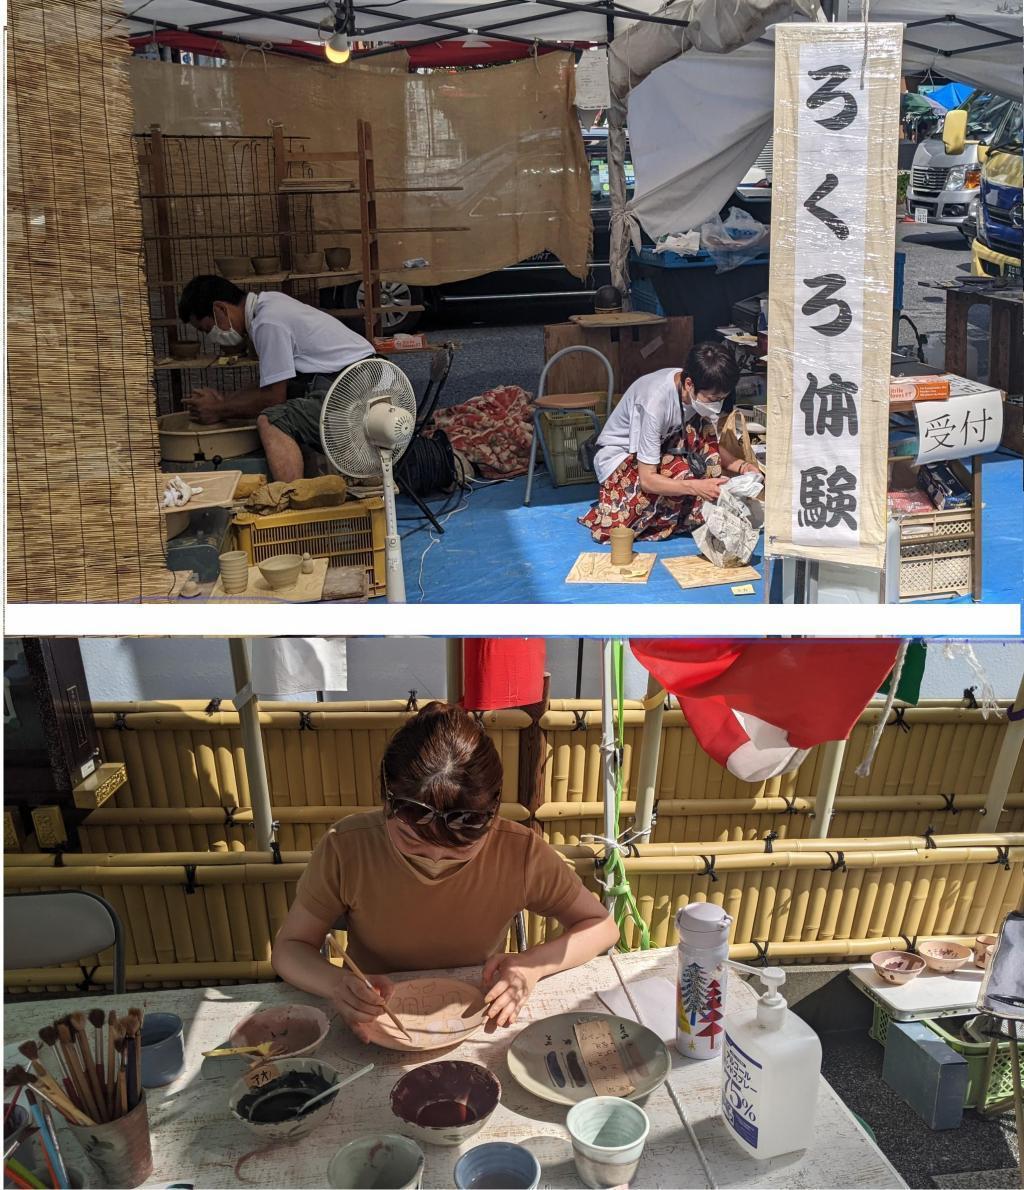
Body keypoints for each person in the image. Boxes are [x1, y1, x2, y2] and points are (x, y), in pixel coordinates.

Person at [272, 702, 619, 1037]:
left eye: (460, 848)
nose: (436, 858)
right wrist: (336, 985)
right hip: (374, 1025)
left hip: (474, 1022)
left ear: (494, 813)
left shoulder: (519, 852)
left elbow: (602, 927)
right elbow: (290, 948)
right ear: (385, 802)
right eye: (411, 840)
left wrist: (532, 965)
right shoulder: (347, 847)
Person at [176, 276, 375, 482]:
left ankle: (293, 496)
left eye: (207, 329)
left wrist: (216, 410)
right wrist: (224, 402)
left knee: (271, 420)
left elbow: (273, 398)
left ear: (220, 309)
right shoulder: (269, 305)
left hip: (357, 390)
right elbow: (272, 382)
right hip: (363, 379)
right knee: (282, 407)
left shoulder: (267, 322)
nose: (212, 337)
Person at [580, 341, 760, 544]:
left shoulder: (698, 395)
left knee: (702, 450)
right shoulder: (655, 403)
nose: (716, 404)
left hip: (663, 448)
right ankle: (666, 515)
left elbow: (709, 447)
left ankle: (681, 511)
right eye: (712, 398)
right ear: (689, 384)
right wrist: (695, 487)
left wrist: (742, 466)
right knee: (682, 471)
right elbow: (648, 480)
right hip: (620, 461)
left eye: (721, 399)